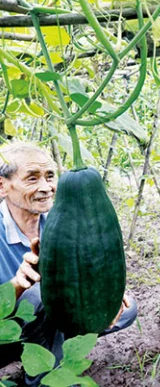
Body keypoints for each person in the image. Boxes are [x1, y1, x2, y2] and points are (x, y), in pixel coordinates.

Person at [0, 142, 138, 386]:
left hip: (50, 317)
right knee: (34, 297)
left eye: (50, 176)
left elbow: (90, 269)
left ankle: (49, 355)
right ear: (2, 186)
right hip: (4, 335)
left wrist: (109, 292)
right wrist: (17, 286)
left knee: (127, 308)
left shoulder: (60, 220)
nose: (46, 187)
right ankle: (47, 378)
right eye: (32, 178)